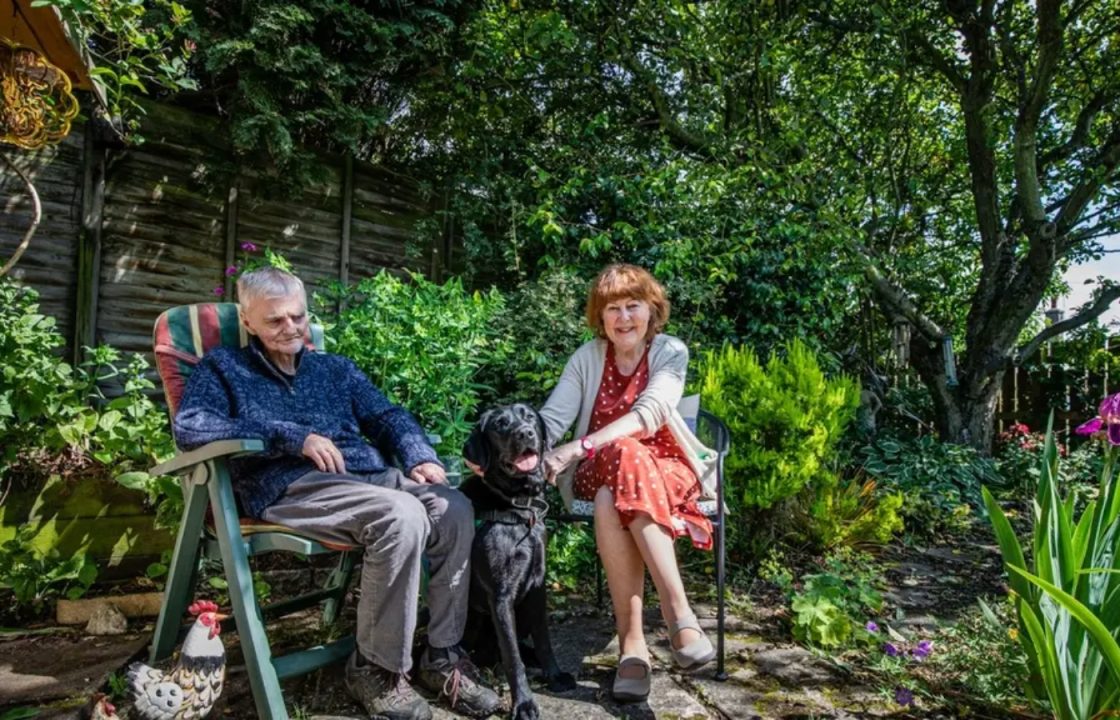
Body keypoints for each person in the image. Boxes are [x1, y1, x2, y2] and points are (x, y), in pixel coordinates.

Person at [173, 267, 500, 720]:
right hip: (289, 484)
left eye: (298, 317)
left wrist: (417, 455)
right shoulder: (224, 368)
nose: (290, 328)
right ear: (248, 322)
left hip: (366, 478)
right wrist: (292, 436)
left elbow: (387, 416)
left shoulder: (335, 369)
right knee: (401, 515)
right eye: (275, 321)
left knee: (454, 507)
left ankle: (441, 656)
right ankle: (377, 669)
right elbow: (191, 427)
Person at [539, 263, 717, 702]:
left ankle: (632, 643)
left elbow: (650, 414)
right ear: (600, 318)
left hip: (667, 470)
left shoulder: (671, 350)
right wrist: (518, 447)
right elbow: (552, 418)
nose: (623, 318)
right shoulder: (586, 357)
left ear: (651, 310)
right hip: (602, 466)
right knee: (621, 456)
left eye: (632, 306)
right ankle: (680, 617)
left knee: (610, 493)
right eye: (612, 309)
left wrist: (577, 448)